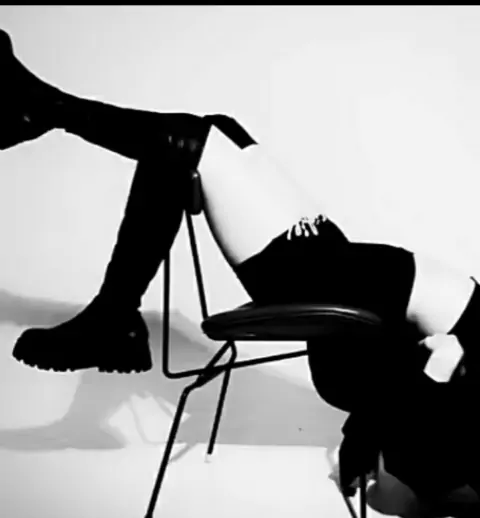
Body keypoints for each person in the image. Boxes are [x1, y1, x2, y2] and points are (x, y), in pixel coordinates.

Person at [2, 29, 479, 501]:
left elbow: (426, 466)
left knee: (191, 144)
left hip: (348, 298)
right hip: (355, 274)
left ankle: (44, 108)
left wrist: (436, 373)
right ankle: (112, 315)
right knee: (217, 133)